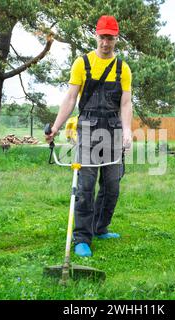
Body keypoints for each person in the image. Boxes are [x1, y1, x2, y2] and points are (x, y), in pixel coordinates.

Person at [45, 15, 133, 257]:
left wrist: (127, 130)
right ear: (96, 35)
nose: (106, 42)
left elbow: (126, 103)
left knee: (112, 185)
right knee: (85, 186)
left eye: (111, 38)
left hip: (113, 131)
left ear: (116, 38)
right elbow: (71, 98)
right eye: (102, 37)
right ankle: (82, 237)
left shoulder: (122, 68)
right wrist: (55, 127)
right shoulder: (82, 63)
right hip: (88, 129)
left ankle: (100, 227)